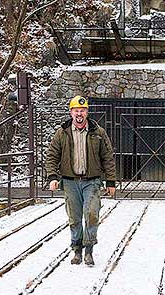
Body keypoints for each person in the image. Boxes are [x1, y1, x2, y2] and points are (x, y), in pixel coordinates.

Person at [45, 95, 116, 266]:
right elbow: (52, 156)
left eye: (82, 110)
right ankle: (77, 249)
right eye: (76, 110)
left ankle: (89, 250)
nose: (79, 114)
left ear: (87, 112)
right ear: (71, 113)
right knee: (74, 218)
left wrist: (111, 181)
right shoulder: (62, 133)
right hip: (70, 181)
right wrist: (53, 176)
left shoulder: (98, 132)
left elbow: (108, 157)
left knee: (91, 214)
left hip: (92, 181)